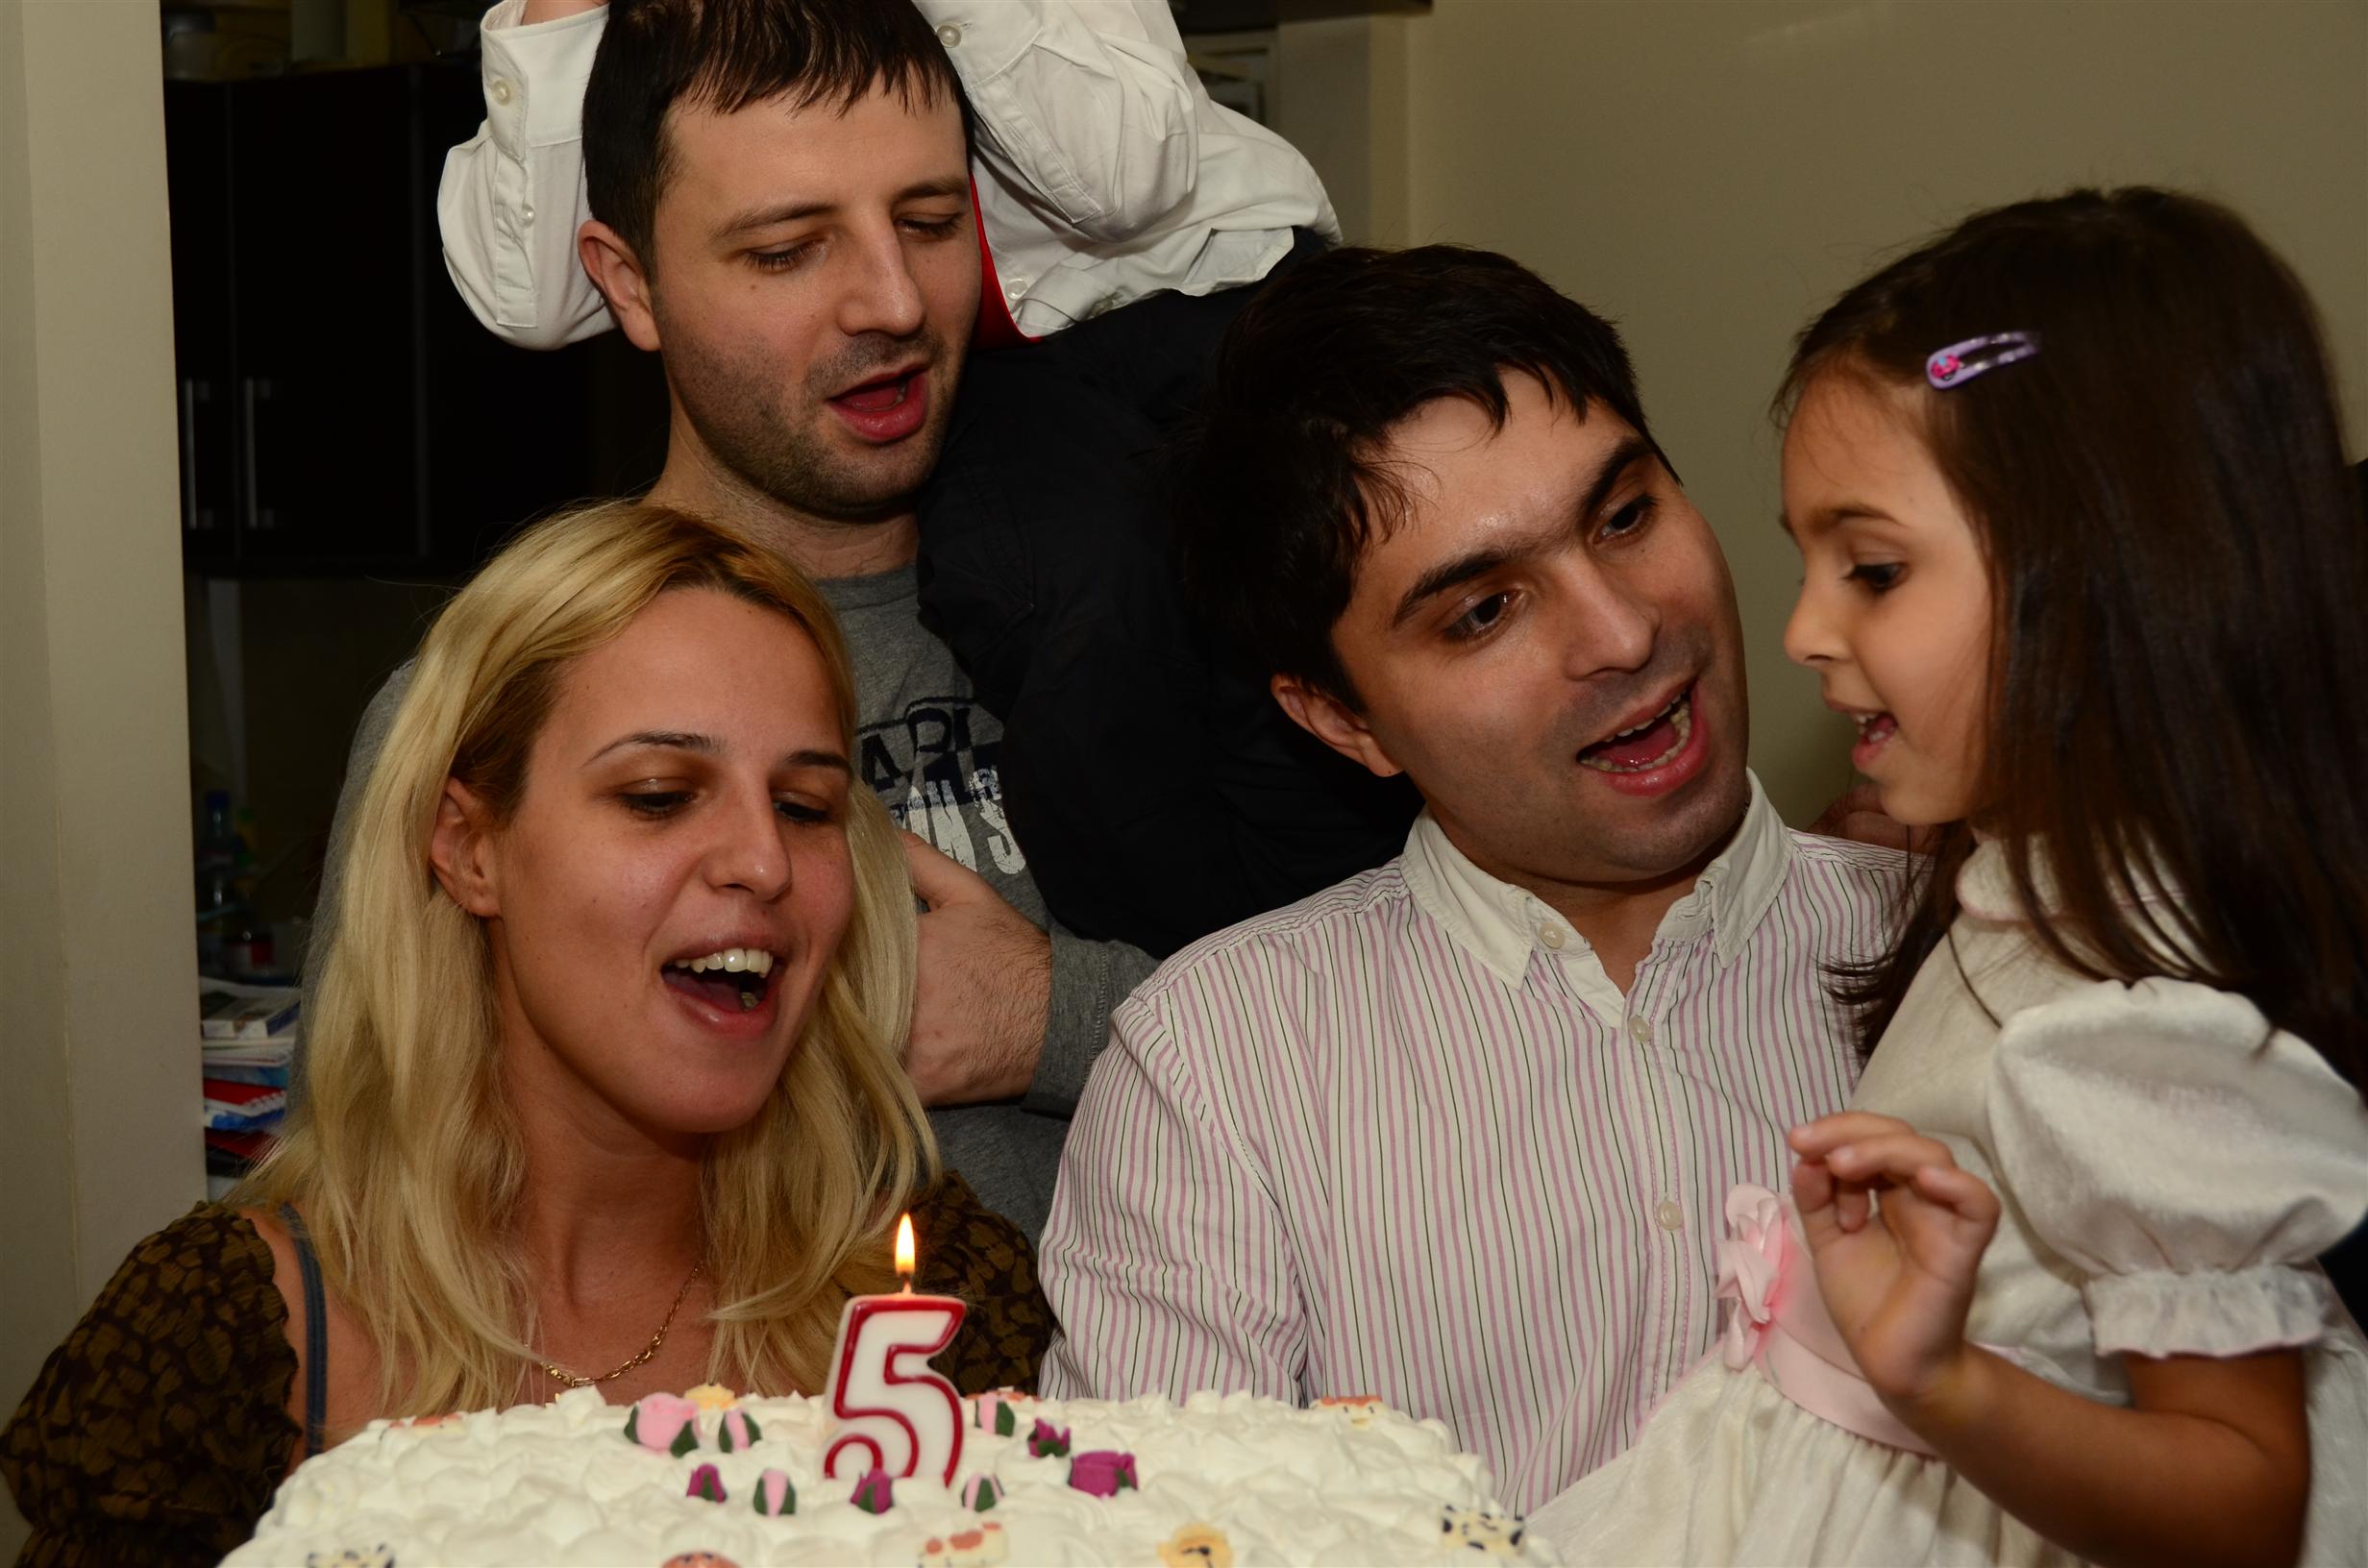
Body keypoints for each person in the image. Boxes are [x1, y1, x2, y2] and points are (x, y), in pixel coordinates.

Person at [1537, 188, 2368, 1566]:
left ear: (2103, 577)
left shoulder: (2129, 1025)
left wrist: (1944, 1383)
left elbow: (2244, 1502)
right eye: (1808, 561)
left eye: (1872, 569)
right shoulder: (2024, 892)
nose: (1803, 629)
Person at [2, 502, 1049, 1567]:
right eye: (658, 795)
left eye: (806, 806)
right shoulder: (233, 1340)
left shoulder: (932, 1307)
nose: (763, 862)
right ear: (469, 849)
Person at [1035, 244, 1909, 1512]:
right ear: (1342, 719)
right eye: (1484, 612)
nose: (1623, 633)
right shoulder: (1220, 1075)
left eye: (1623, 518)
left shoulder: (1970, 958)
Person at [433, 0, 1420, 965]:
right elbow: (529, 298)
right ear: (631, 281)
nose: (895, 301)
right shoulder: (499, 696)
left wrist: (1050, 1014)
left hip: (1232, 313)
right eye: (785, 251)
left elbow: (1376, 992)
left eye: (932, 221)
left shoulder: (1187, 566)